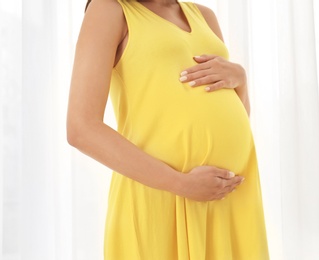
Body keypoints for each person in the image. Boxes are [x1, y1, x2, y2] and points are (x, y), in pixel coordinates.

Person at [67, 0, 269, 259]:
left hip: (228, 196)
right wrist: (181, 184)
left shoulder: (205, 16)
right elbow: (81, 128)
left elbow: (236, 114)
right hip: (162, 195)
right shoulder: (110, 9)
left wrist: (240, 79)